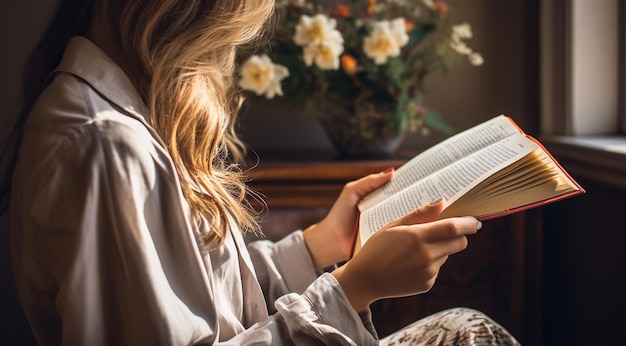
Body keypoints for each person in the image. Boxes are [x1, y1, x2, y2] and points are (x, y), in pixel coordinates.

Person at [0, 0, 521, 344]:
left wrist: (318, 247)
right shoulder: (105, 143)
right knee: (469, 332)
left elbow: (208, 301)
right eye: (226, 31)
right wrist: (352, 288)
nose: (225, 55)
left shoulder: (123, 118)